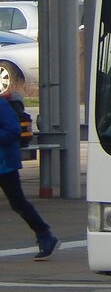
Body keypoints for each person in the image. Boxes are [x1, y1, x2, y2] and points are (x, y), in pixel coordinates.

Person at [0, 92, 58, 260]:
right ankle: (44, 235)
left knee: (18, 203)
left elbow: (13, 130)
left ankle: (44, 234)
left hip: (5, 164)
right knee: (18, 203)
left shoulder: (1, 106)